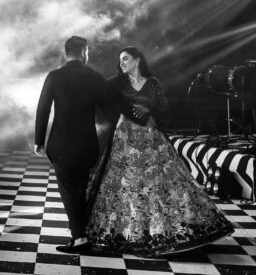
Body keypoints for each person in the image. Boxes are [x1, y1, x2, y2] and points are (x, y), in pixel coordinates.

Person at [85, 46, 234, 257]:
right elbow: (102, 106)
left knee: (160, 184)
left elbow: (164, 109)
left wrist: (150, 110)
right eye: (120, 60)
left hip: (151, 140)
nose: (122, 63)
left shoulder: (153, 83)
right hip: (124, 141)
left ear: (138, 61)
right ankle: (129, 232)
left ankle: (164, 231)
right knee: (127, 186)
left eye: (126, 59)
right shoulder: (115, 85)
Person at [35, 36, 116, 254]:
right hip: (88, 145)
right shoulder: (94, 76)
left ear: (67, 52)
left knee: (70, 191)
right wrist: (103, 126)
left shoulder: (54, 76)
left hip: (61, 145)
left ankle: (79, 238)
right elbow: (107, 106)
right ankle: (84, 233)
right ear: (84, 52)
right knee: (81, 189)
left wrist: (38, 141)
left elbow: (43, 110)